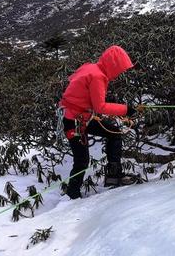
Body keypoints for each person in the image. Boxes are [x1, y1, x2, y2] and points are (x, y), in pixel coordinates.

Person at [59, 45, 140, 199]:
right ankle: (72, 195)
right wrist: (127, 110)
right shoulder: (98, 76)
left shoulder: (91, 68)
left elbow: (84, 93)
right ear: (113, 65)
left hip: (78, 118)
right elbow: (100, 106)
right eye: (120, 68)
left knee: (114, 133)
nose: (119, 73)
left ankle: (113, 176)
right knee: (82, 161)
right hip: (76, 122)